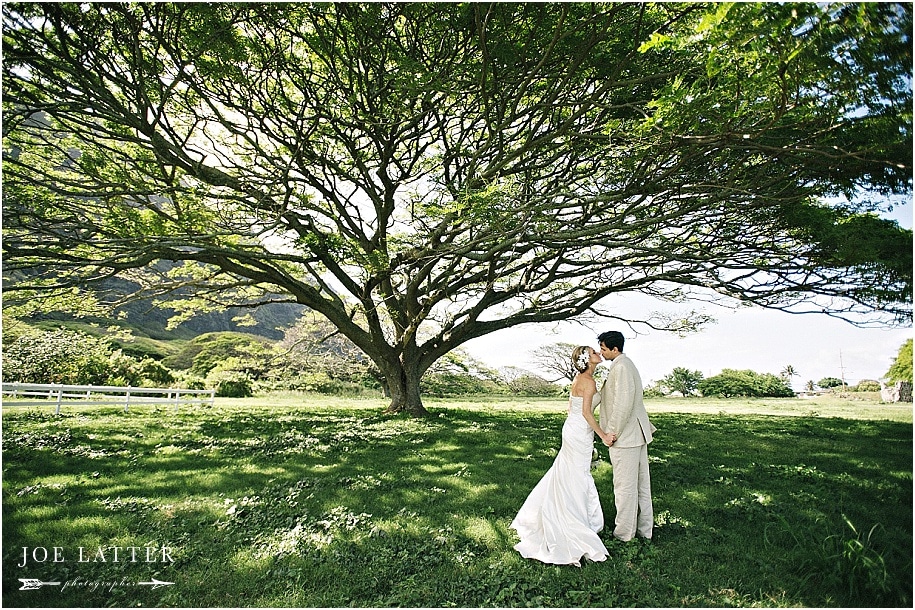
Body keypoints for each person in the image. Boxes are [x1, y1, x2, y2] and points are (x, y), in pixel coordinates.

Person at [510, 346, 613, 566]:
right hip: (579, 431)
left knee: (568, 473)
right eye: (594, 352)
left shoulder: (580, 379)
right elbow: (586, 413)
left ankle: (569, 513)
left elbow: (571, 409)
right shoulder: (588, 381)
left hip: (573, 429)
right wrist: (603, 435)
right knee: (576, 475)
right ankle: (574, 521)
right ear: (588, 360)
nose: (598, 354)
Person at [596, 330, 657, 542]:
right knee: (641, 486)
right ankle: (644, 531)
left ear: (615, 349)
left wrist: (612, 432)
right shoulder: (625, 364)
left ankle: (624, 535)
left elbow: (622, 404)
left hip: (627, 437)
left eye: (604, 349)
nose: (601, 353)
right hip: (637, 434)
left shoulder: (621, 367)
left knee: (625, 488)